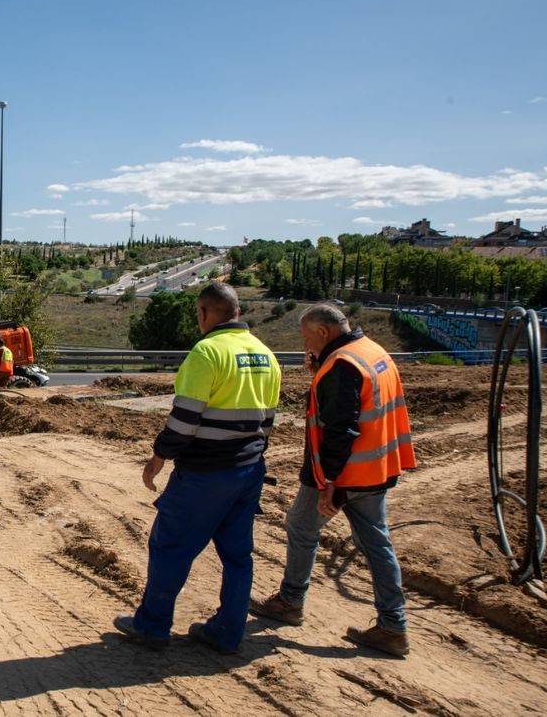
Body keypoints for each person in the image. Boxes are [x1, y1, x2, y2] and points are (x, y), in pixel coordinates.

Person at [114, 281, 281, 654]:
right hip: (249, 468)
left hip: (205, 473)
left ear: (203, 313)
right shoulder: (264, 354)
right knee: (238, 556)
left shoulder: (206, 353)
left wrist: (159, 456)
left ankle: (153, 626)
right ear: (236, 312)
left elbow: (185, 419)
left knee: (169, 546)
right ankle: (227, 632)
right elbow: (267, 421)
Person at [250, 304, 416, 657]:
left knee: (300, 524)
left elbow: (341, 429)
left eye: (306, 336)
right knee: (376, 542)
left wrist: (330, 482)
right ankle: (393, 625)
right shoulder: (370, 351)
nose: (304, 343)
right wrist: (320, 368)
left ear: (323, 332)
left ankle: (291, 602)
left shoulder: (342, 367)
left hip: (346, 472)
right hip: (378, 467)